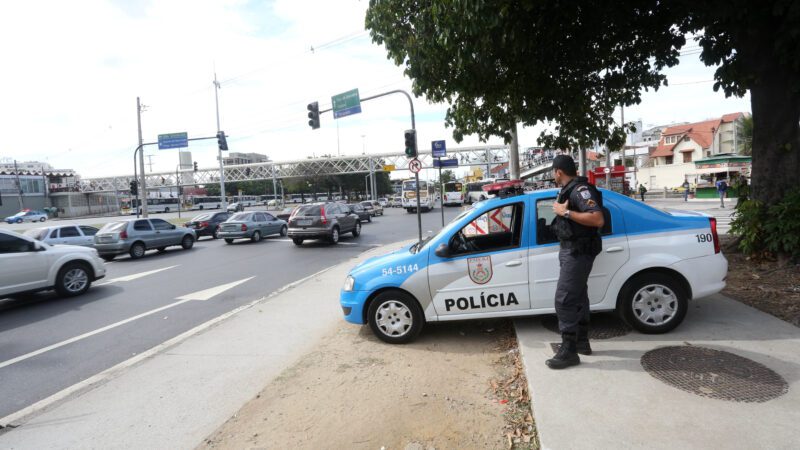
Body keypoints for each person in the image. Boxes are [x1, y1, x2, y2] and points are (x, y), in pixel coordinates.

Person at [547, 155, 605, 369]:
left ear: (558, 172)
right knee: (579, 296)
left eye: (553, 172)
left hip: (578, 252)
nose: (553, 176)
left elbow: (597, 218)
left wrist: (566, 212)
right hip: (572, 250)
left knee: (564, 300)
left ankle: (569, 350)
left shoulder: (580, 190)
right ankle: (581, 342)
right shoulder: (568, 189)